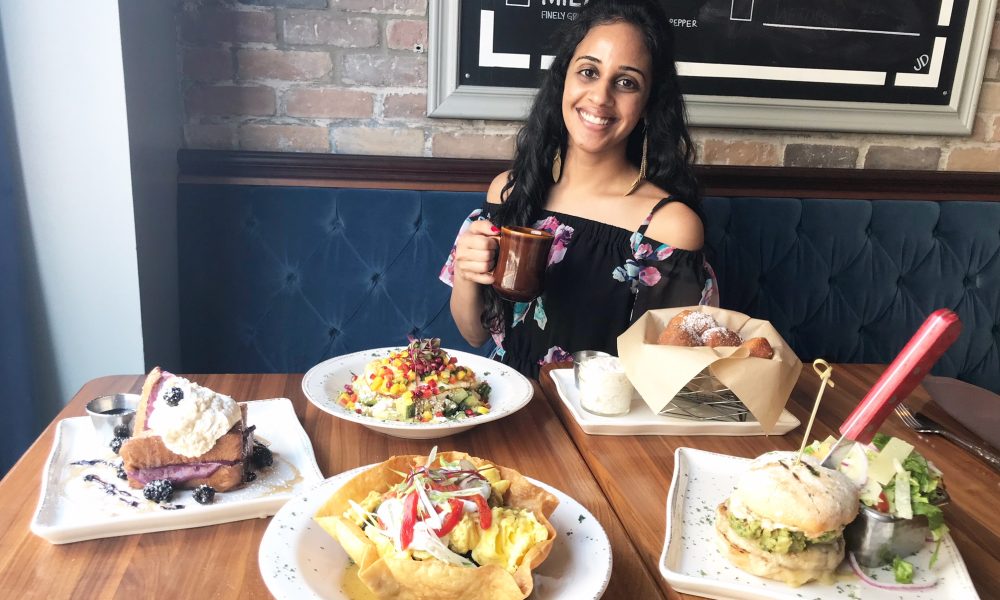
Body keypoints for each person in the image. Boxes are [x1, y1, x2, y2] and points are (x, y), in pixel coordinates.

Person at [440, 0, 717, 378]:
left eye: (626, 82)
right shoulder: (510, 190)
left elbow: (666, 378)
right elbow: (475, 335)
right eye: (588, 72)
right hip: (505, 397)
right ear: (563, 80)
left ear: (649, 103)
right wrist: (467, 273)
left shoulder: (669, 226)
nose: (600, 97)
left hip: (599, 413)